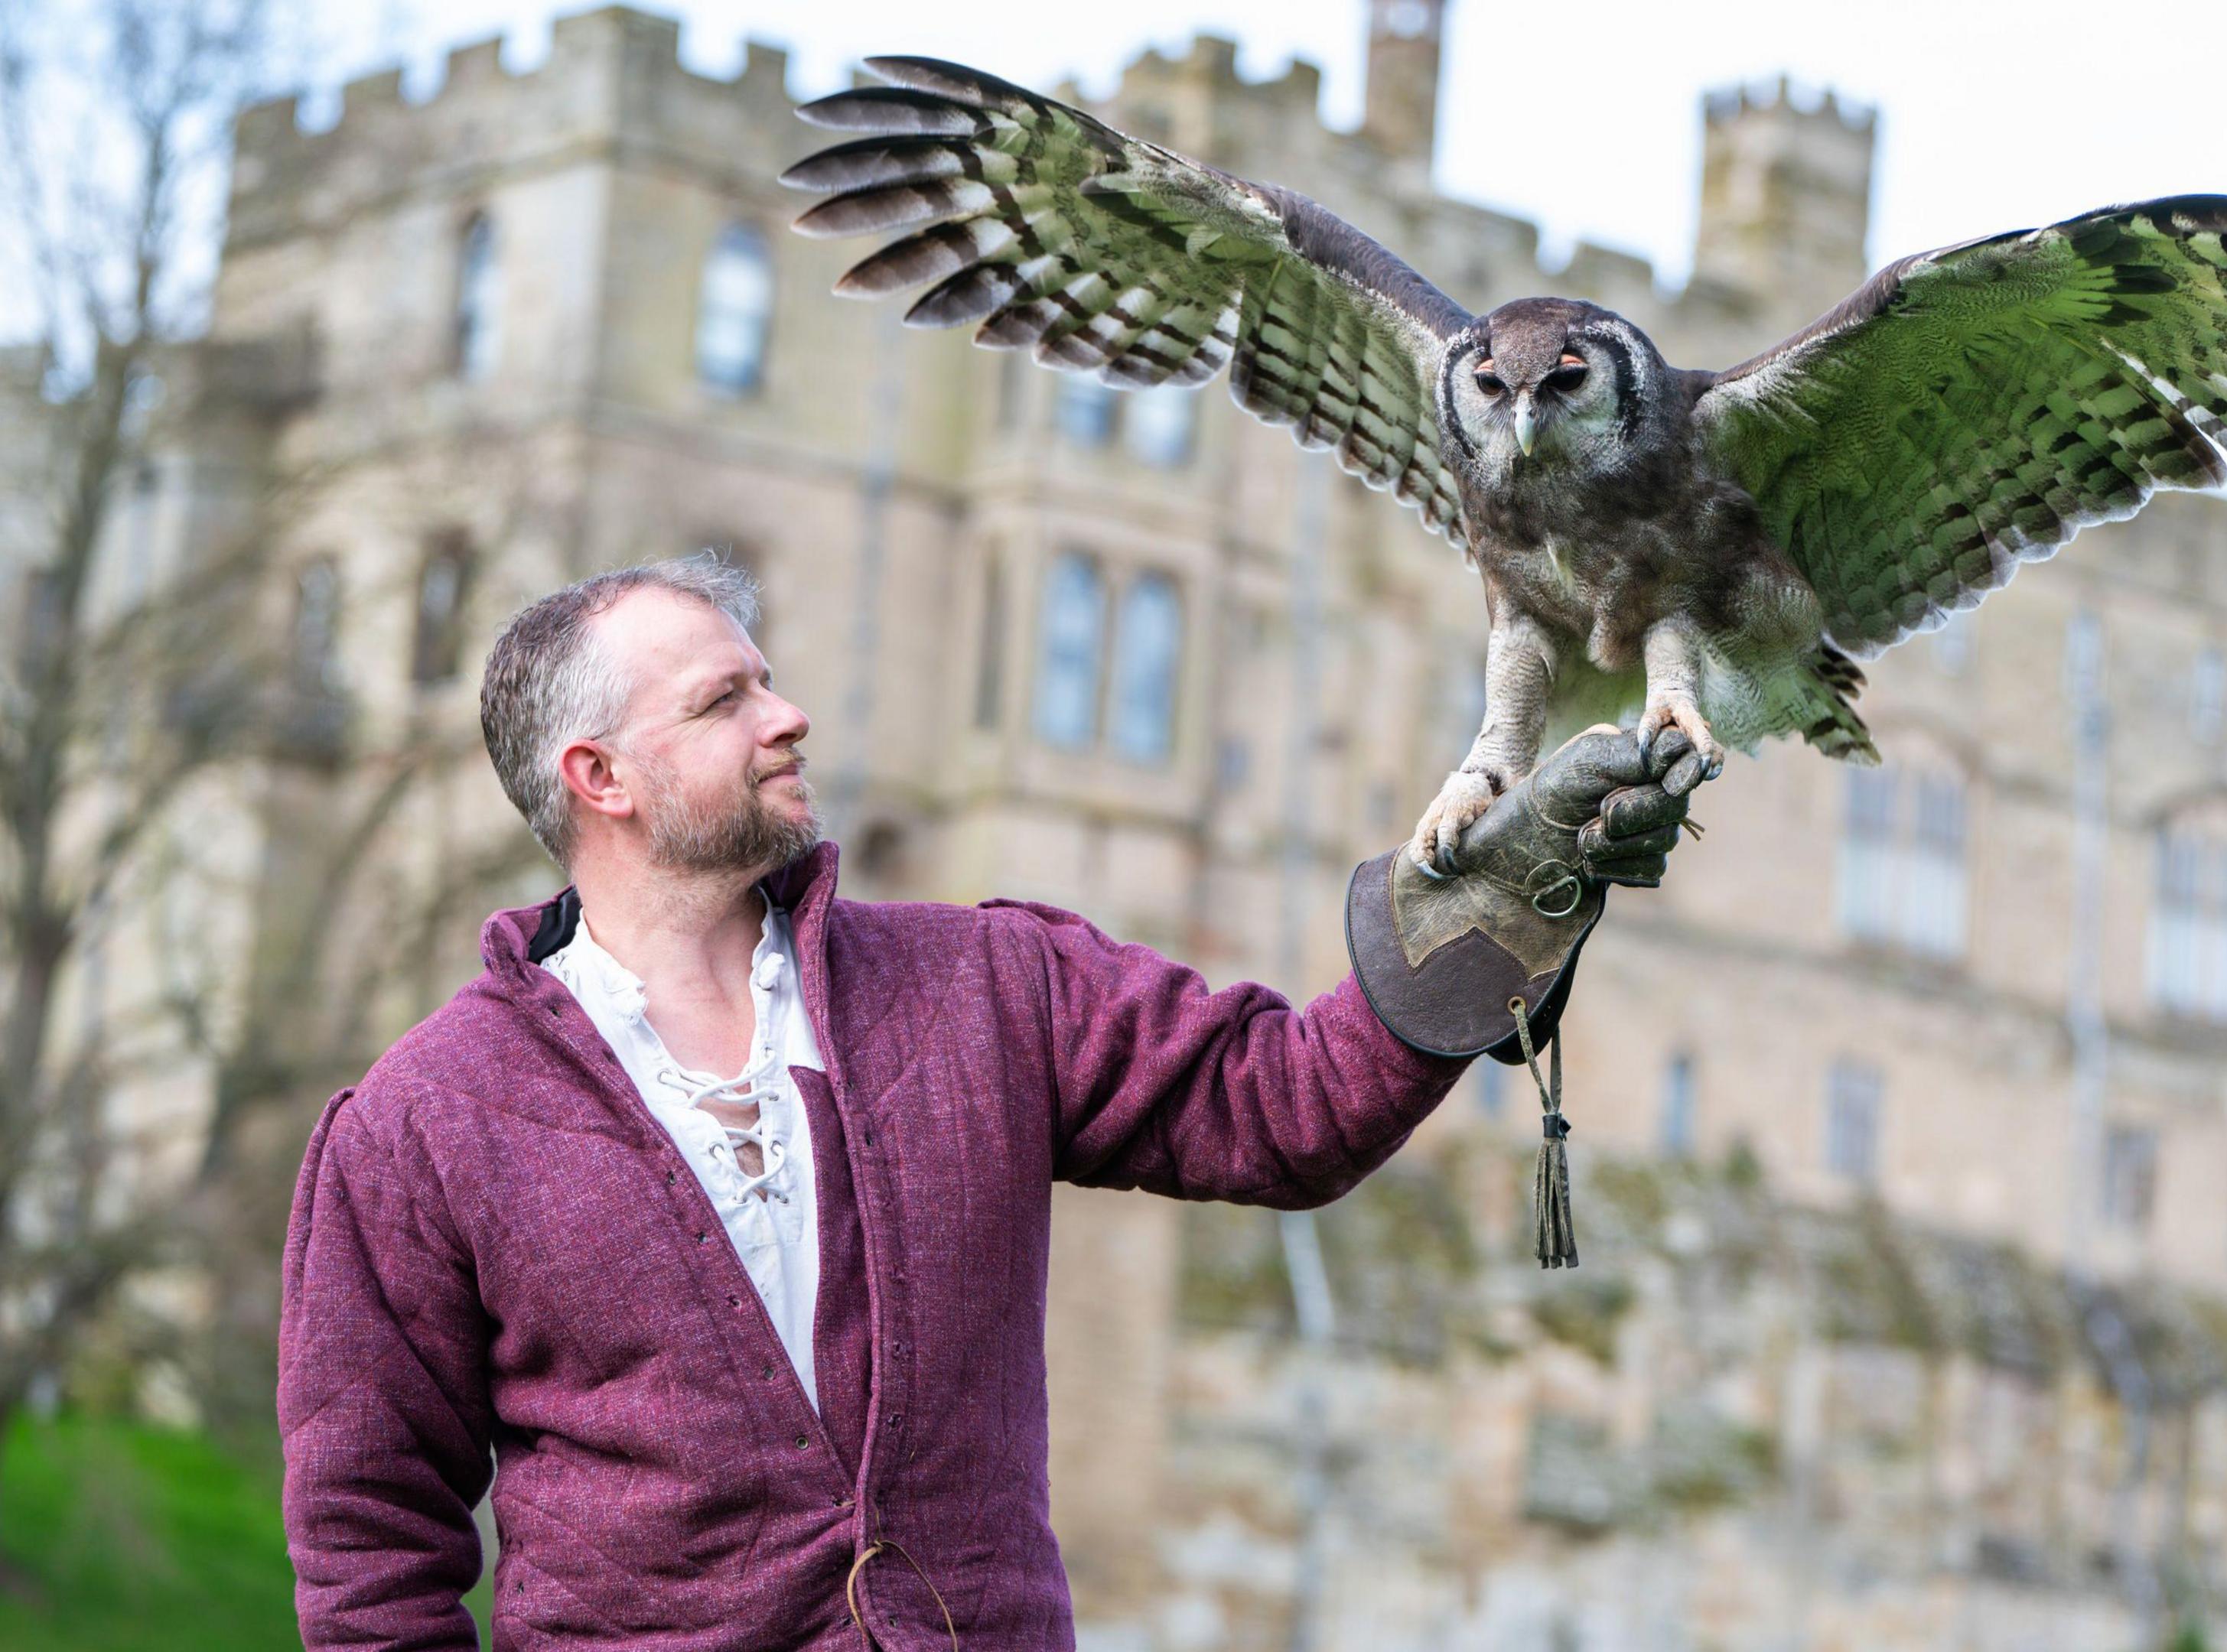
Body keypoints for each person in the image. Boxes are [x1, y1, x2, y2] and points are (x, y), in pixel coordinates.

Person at [275, 555, 1701, 1649]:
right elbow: (367, 1548)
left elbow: (1285, 1107)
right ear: (602, 782)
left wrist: (1496, 909)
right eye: (724, 702)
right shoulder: (422, 1126)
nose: (789, 715)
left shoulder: (984, 985)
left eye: (766, 679)